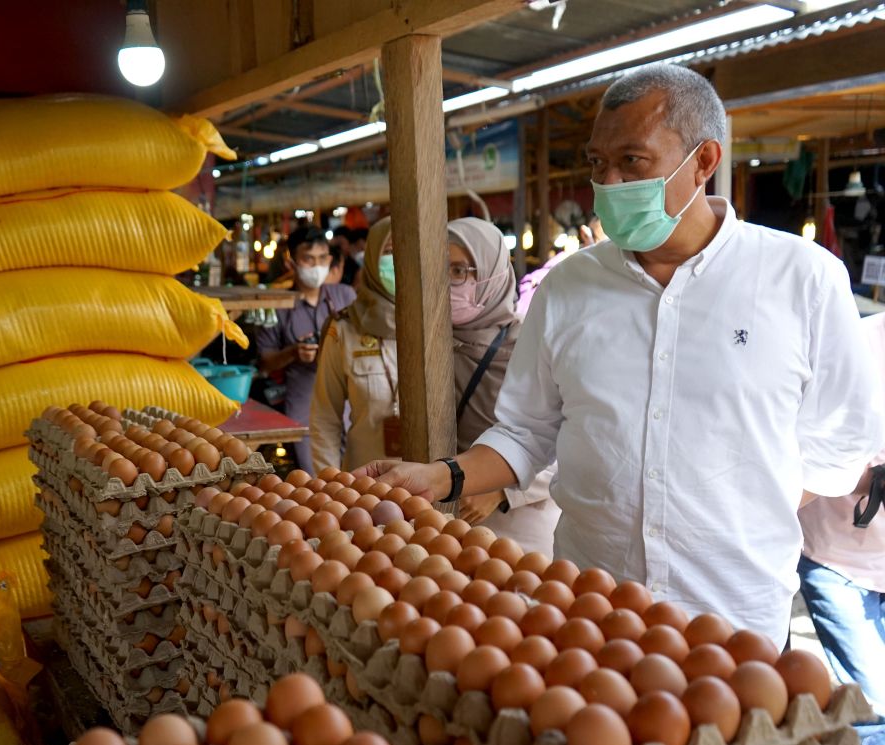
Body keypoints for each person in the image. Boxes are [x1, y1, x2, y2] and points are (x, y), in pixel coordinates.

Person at [355, 64, 883, 648]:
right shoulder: (567, 288)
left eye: (632, 161)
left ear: (704, 161)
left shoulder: (802, 279)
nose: (607, 183)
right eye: (597, 164)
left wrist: (739, 504)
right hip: (588, 609)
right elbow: (528, 432)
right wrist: (444, 476)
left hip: (735, 618)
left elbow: (840, 443)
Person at [448, 217, 561, 557]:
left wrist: (502, 491)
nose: (447, 284)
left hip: (519, 525)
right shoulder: (429, 345)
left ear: (492, 273)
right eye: (438, 270)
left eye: (458, 271)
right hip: (449, 520)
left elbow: (567, 437)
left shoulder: (532, 342)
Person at [797, 312, 885, 723]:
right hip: (839, 561)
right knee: (875, 704)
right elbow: (809, 447)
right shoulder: (858, 345)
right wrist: (876, 479)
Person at [256, 226, 355, 474]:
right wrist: (293, 353)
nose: (316, 265)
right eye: (308, 259)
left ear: (330, 260)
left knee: (358, 483)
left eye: (322, 258)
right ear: (292, 262)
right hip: (304, 406)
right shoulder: (277, 305)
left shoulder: (345, 296)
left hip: (350, 404)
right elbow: (265, 363)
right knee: (317, 483)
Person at [311, 218, 397, 473]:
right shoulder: (345, 328)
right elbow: (325, 418)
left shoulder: (443, 325)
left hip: (436, 490)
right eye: (389, 252)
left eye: (407, 250)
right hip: (366, 486)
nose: (398, 261)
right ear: (372, 257)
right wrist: (331, 488)